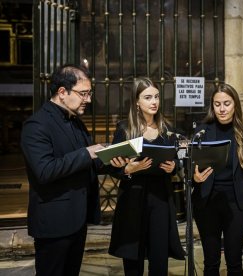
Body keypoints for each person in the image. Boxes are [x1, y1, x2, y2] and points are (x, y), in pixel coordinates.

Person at [20, 64, 106, 275]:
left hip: (77, 219)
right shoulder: (36, 125)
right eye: (83, 93)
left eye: (89, 93)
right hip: (54, 222)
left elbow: (90, 162)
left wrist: (116, 161)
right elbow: (45, 171)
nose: (88, 99)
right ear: (62, 92)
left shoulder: (76, 122)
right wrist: (87, 153)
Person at [108, 77, 185, 275]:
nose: (154, 102)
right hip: (133, 196)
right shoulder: (125, 129)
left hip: (160, 197)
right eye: (148, 97)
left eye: (157, 97)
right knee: (133, 255)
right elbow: (113, 166)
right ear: (136, 101)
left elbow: (176, 160)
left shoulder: (167, 130)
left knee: (159, 255)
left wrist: (173, 166)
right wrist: (128, 169)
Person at [192, 83, 243, 276]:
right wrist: (195, 177)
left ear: (235, 105)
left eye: (227, 103)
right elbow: (191, 168)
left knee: (234, 261)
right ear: (212, 106)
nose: (222, 109)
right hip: (207, 202)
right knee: (211, 262)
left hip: (237, 204)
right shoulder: (202, 131)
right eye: (217, 104)